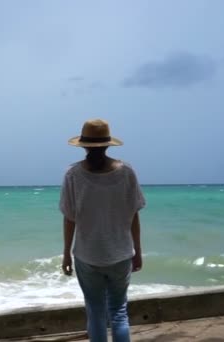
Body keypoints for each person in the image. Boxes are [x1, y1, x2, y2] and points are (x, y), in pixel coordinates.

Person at [59, 118, 145, 342]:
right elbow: (133, 215)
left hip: (87, 255)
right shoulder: (126, 172)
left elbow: (69, 219)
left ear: (84, 145)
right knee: (118, 312)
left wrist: (66, 253)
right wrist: (138, 251)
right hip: (120, 254)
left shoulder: (73, 175)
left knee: (95, 312)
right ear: (107, 144)